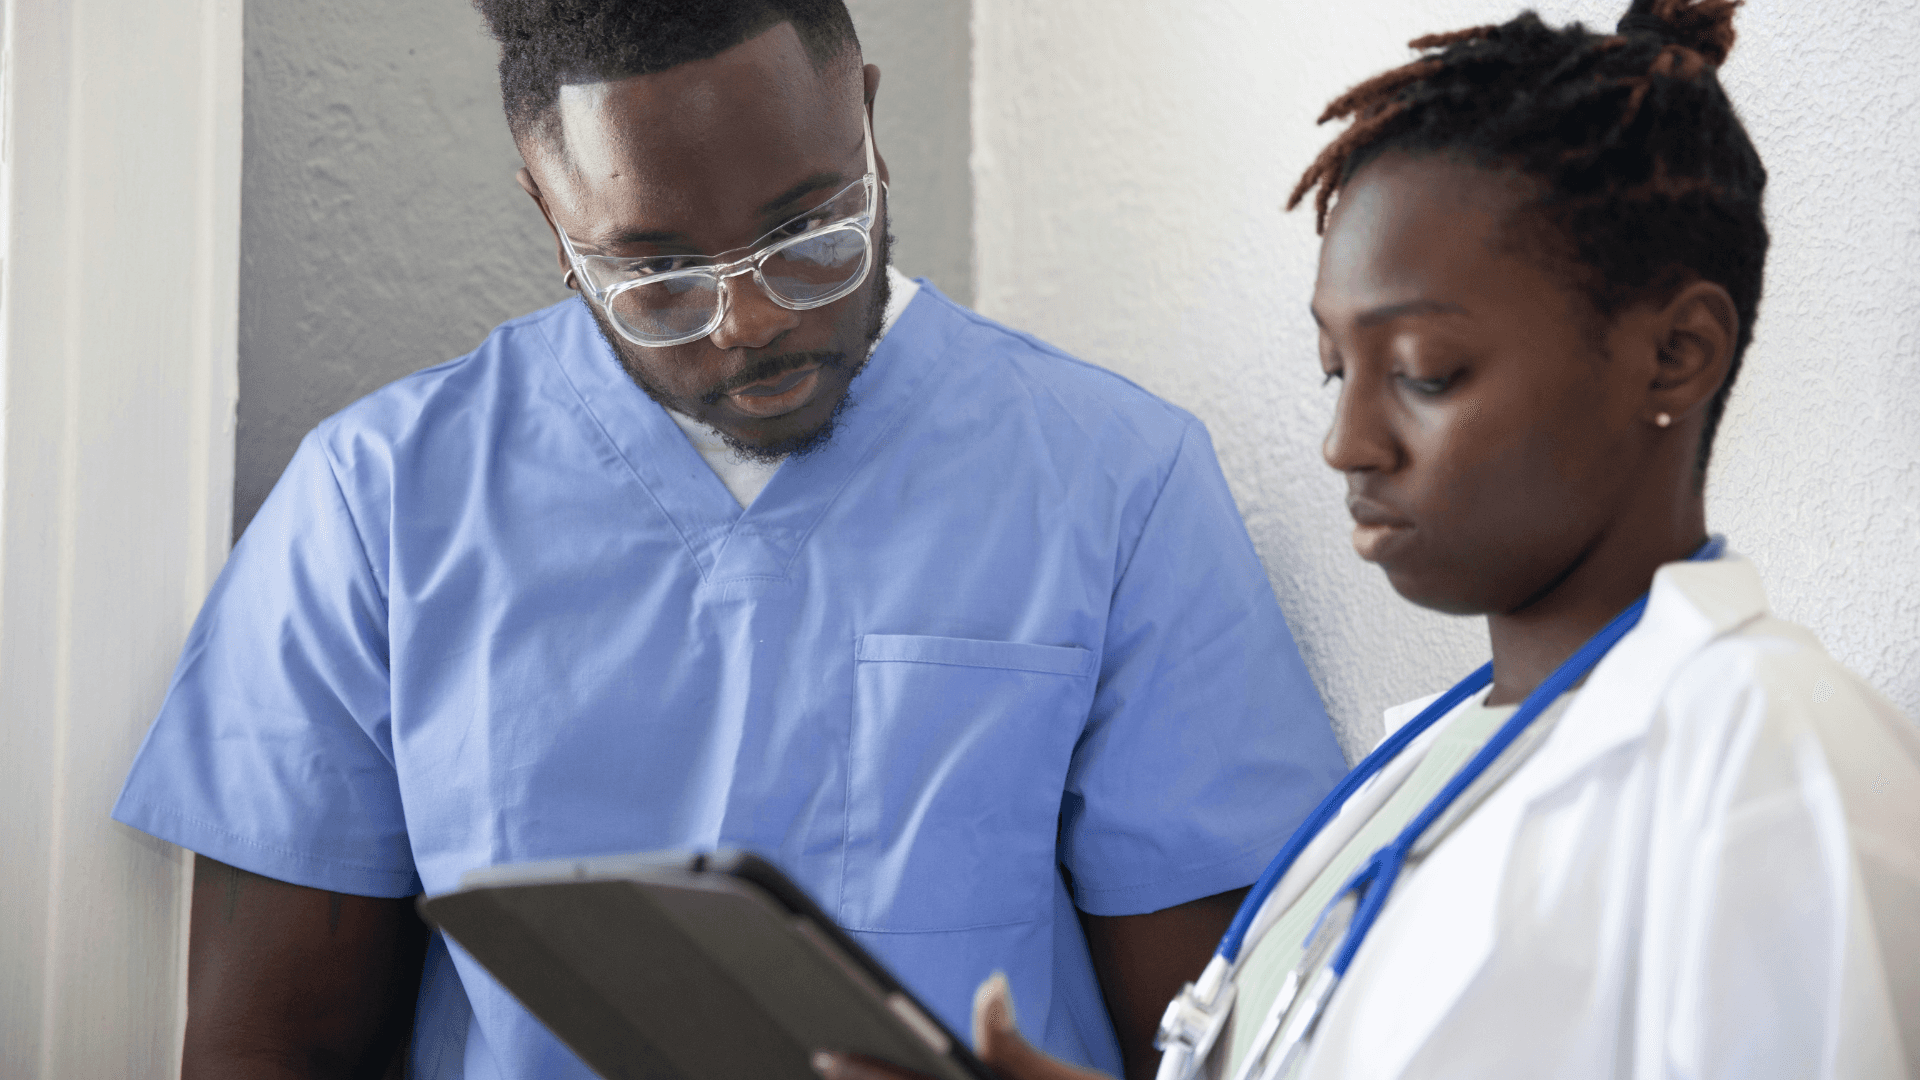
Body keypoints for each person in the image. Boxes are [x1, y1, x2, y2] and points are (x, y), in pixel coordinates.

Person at [110, 3, 1348, 1078]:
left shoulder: (1114, 479)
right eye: (657, 277)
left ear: (863, 115)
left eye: (810, 236)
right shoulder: (375, 505)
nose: (750, 323)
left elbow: (1211, 1043)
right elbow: (265, 1048)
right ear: (550, 216)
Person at [818, 2, 1920, 1079]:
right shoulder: (1430, 766)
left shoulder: (1780, 780)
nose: (1347, 442)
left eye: (1424, 374)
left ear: (1676, 354)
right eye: (1336, 370)